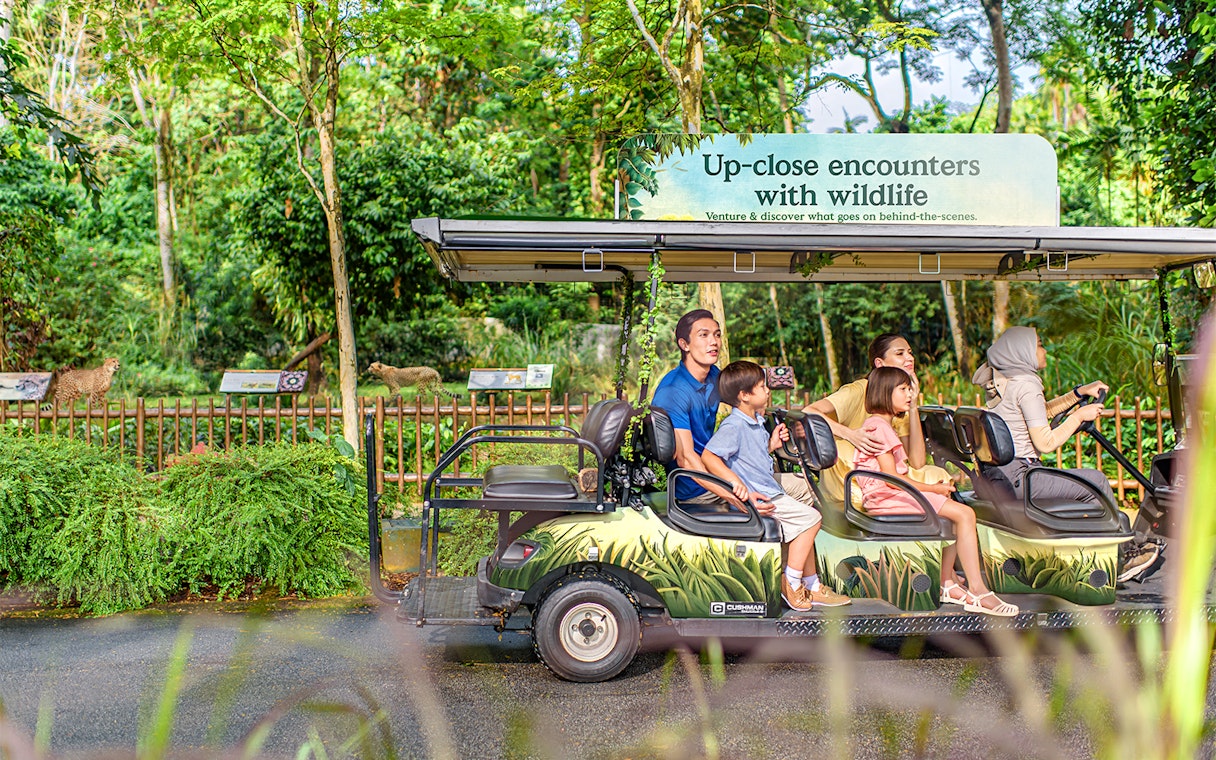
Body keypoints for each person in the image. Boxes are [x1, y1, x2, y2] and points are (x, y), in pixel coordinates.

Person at [971, 326, 1159, 581]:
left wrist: (1078, 394)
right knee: (1097, 481)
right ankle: (1123, 558)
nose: (1044, 350)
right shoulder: (1026, 384)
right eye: (1039, 344)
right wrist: (1078, 416)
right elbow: (1045, 442)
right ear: (1023, 351)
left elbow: (1041, 413)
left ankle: (1098, 555)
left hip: (1000, 476)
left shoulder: (1006, 380)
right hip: (1021, 478)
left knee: (1091, 488)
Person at [853, 367, 1018, 616]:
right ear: (885, 392)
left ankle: (946, 583)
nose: (909, 395)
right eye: (903, 389)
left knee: (951, 505)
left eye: (909, 389)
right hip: (885, 497)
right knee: (965, 514)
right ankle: (978, 591)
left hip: (888, 494)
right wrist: (932, 488)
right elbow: (891, 479)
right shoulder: (879, 427)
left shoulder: (880, 424)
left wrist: (937, 490)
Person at [701, 361, 851, 610]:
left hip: (767, 484)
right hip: (762, 492)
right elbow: (709, 456)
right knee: (812, 519)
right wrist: (737, 485)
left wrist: (771, 445)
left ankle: (811, 582)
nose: (767, 390)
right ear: (745, 396)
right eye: (762, 387)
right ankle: (791, 581)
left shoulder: (755, 420)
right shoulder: (734, 425)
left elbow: (750, 455)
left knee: (808, 493)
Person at [652, 309, 816, 507]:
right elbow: (686, 460)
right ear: (684, 344)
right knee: (805, 493)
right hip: (701, 488)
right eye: (704, 335)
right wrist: (738, 498)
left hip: (725, 472)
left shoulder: (713, 376)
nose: (714, 342)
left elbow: (748, 400)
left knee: (807, 484)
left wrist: (768, 439)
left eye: (717, 335)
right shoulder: (673, 391)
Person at [803, 334, 930, 502]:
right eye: (900, 353)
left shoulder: (900, 402)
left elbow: (918, 463)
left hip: (887, 474)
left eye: (910, 352)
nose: (910, 358)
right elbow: (809, 411)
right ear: (880, 363)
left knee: (934, 475)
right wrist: (850, 434)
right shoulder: (858, 390)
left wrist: (913, 406)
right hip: (854, 479)